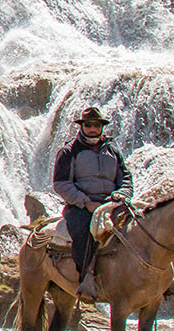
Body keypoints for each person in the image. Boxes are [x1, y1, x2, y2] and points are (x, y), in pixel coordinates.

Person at [52, 106, 134, 304]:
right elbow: (61, 184)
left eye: (96, 125)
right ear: (82, 126)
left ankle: (155, 276)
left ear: (102, 127)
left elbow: (126, 178)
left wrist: (121, 195)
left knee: (142, 226)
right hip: (81, 205)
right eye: (88, 125)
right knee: (84, 231)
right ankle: (87, 277)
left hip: (112, 203)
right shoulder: (69, 151)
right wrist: (85, 202)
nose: (92, 128)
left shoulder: (113, 150)